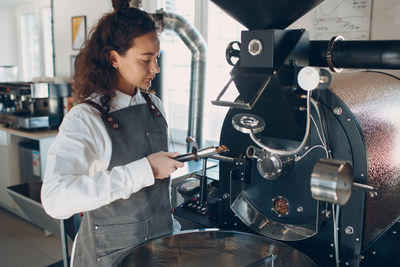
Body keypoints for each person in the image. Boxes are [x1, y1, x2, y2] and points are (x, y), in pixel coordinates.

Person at [41, 1, 184, 266]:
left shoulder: (155, 106)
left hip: (158, 249)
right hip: (109, 257)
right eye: (146, 60)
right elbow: (55, 199)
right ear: (114, 58)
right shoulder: (85, 119)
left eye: (157, 58)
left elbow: (156, 197)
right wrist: (145, 170)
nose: (156, 69)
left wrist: (172, 229)